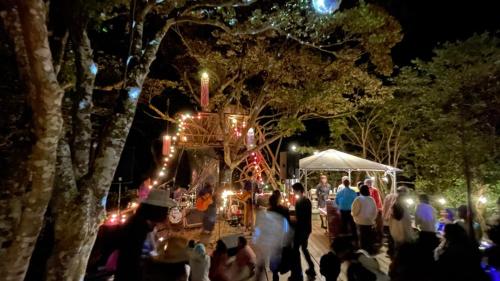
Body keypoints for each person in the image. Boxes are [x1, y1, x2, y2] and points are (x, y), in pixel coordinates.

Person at [115, 189, 176, 281]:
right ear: (157, 210)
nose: (166, 214)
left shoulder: (144, 224)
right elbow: (135, 259)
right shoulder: (137, 227)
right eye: (165, 210)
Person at [290, 182, 316, 280]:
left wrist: (291, 218)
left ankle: (297, 273)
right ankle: (311, 268)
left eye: (294, 191)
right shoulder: (307, 200)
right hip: (307, 228)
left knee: (296, 250)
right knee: (304, 249)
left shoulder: (300, 201)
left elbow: (299, 217)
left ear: (299, 191)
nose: (293, 193)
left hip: (301, 229)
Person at [266, 190, 292, 281]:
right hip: (282, 235)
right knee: (284, 254)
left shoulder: (269, 211)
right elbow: (287, 224)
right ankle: (284, 269)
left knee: (274, 255)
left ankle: (275, 274)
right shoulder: (284, 209)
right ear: (279, 199)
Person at [351, 185, 378, 253]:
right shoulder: (371, 199)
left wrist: (353, 215)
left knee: (362, 238)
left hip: (360, 222)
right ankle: (369, 250)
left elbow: (354, 211)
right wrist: (373, 219)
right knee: (368, 237)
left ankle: (362, 252)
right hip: (369, 222)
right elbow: (375, 210)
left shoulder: (358, 199)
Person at [389, 186, 415, 253]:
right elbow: (406, 221)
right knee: (401, 250)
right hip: (403, 233)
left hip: (396, 232)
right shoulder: (401, 206)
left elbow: (391, 219)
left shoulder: (394, 204)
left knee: (397, 248)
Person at [382, 188, 400, 257]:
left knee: (390, 236)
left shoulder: (388, 197)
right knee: (394, 236)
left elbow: (384, 207)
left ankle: (390, 251)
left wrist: (384, 216)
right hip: (394, 220)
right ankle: (394, 252)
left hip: (387, 219)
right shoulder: (398, 198)